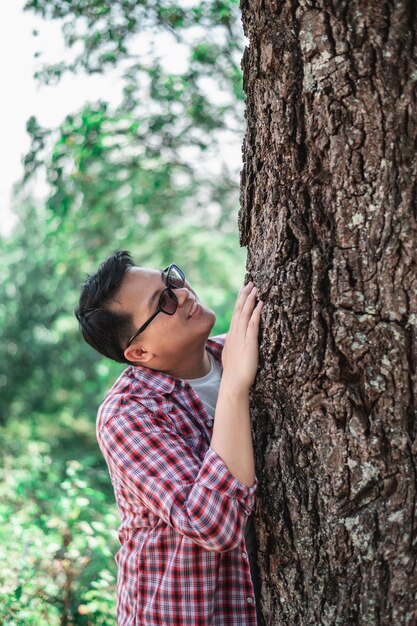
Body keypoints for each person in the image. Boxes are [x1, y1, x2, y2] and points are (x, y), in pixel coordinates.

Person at [75, 250, 265, 626]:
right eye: (162, 301)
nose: (182, 294)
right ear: (139, 352)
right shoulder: (127, 415)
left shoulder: (238, 353)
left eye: (170, 281)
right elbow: (213, 525)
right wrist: (234, 389)